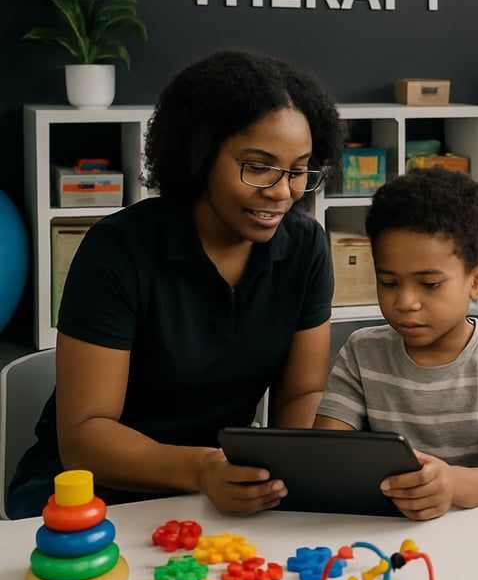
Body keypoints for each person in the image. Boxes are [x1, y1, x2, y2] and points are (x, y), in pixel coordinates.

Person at [6, 49, 342, 519]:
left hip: (218, 490)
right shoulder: (118, 251)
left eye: (299, 169)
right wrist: (203, 470)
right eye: (258, 166)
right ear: (199, 155)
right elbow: (84, 436)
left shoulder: (305, 248)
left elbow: (302, 394)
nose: (283, 191)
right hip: (90, 495)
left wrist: (292, 475)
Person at [314, 168, 478, 545]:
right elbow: (325, 456)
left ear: (477, 281)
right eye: (388, 282)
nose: (405, 302)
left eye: (429, 284)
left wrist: (451, 483)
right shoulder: (361, 351)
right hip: (389, 517)